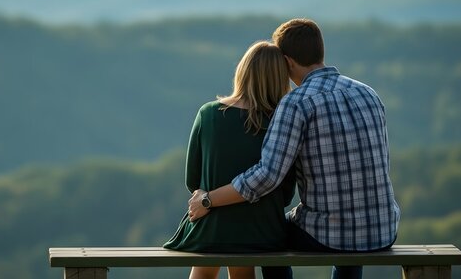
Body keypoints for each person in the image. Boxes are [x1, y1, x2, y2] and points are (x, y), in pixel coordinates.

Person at [187, 19, 401, 279]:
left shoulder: (296, 103)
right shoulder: (368, 93)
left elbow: (267, 176)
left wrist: (208, 199)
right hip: (383, 229)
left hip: (329, 235)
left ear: (287, 62)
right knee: (349, 228)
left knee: (270, 233)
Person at [163, 41, 297, 279]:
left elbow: (192, 180)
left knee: (209, 256)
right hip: (263, 233)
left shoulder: (208, 114)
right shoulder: (281, 122)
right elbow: (285, 194)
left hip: (211, 227)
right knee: (241, 254)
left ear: (243, 71)